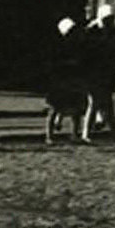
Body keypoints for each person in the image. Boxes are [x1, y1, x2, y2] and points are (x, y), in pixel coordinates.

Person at [78, 3, 115, 143]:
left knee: (105, 103)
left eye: (111, 19)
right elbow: (85, 52)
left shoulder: (113, 32)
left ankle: (112, 135)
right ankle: (92, 133)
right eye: (107, 19)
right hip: (93, 71)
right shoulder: (91, 31)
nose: (109, 22)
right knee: (95, 102)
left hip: (107, 71)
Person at [43, 16, 90, 144]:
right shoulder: (58, 47)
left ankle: (74, 133)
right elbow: (53, 63)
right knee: (54, 108)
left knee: (76, 107)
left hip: (73, 77)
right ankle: (49, 135)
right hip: (60, 78)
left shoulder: (77, 45)